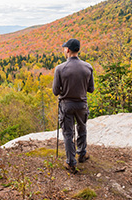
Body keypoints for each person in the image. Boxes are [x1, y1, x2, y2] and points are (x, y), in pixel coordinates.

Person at [52, 38, 95, 173]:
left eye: (65, 48)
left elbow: (55, 91)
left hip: (66, 105)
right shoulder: (88, 67)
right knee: (82, 128)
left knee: (68, 133)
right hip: (82, 104)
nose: (64, 50)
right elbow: (91, 89)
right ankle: (82, 154)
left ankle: (71, 162)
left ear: (68, 50)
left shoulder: (60, 68)